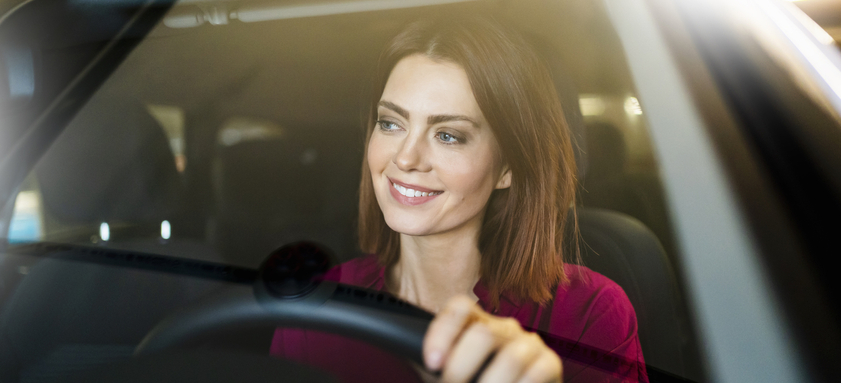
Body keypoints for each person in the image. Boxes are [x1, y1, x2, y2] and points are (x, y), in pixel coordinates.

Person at [271, 16, 648, 383]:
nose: (405, 158)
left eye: (448, 135)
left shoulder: (588, 314)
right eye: (391, 124)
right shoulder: (315, 307)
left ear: (508, 168)